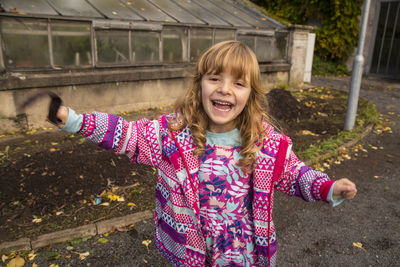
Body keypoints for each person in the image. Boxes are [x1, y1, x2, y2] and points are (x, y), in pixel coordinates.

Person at [52, 41, 357, 267]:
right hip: (190, 249)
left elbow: (295, 174)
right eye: (215, 79)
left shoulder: (266, 144)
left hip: (241, 252)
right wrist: (77, 121)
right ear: (198, 85)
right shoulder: (171, 135)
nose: (225, 89)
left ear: (250, 94)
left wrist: (326, 187)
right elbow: (129, 135)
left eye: (238, 83)